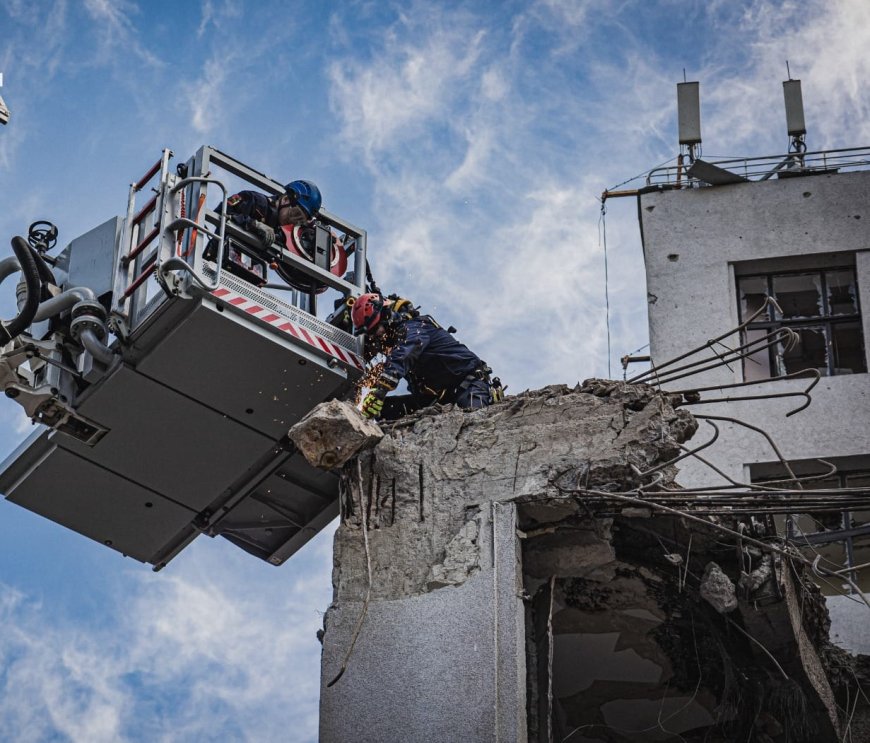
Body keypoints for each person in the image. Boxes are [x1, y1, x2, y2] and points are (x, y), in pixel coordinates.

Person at [351, 293, 501, 420]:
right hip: (438, 400)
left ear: (386, 316)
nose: (377, 335)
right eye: (371, 333)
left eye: (376, 329)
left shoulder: (415, 328)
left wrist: (380, 390)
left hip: (469, 387)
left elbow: (404, 354)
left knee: (473, 425)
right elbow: (387, 363)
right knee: (384, 410)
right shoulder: (396, 345)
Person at [225, 179, 322, 246]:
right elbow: (224, 209)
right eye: (295, 214)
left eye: (299, 221)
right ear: (286, 199)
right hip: (220, 256)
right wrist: (254, 224)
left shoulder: (282, 236)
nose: (293, 222)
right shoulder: (255, 200)